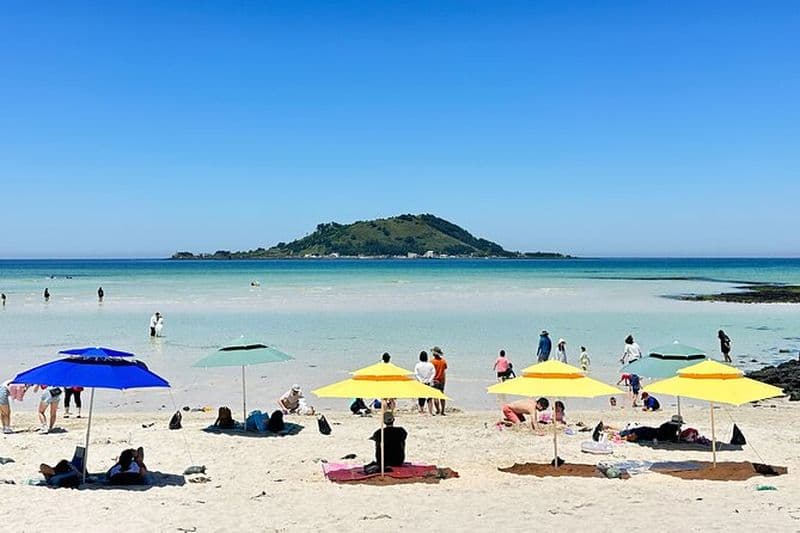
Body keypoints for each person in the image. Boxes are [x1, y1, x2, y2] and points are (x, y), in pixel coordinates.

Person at [431, 346, 448, 415]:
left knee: (435, 396)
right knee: (442, 395)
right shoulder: (443, 361)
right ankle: (443, 411)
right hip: (442, 380)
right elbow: (444, 370)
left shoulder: (432, 362)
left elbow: (431, 371)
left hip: (435, 379)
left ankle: (438, 410)